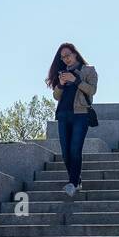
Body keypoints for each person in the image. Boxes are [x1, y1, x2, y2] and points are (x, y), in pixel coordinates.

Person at [47, 42, 98, 198]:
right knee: (65, 152)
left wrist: (75, 80)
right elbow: (56, 96)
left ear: (75, 54)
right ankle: (76, 180)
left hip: (81, 114)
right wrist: (61, 84)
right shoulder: (61, 72)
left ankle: (73, 183)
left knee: (75, 150)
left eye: (68, 55)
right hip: (63, 115)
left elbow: (92, 90)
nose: (66, 59)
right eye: (63, 57)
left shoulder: (88, 70)